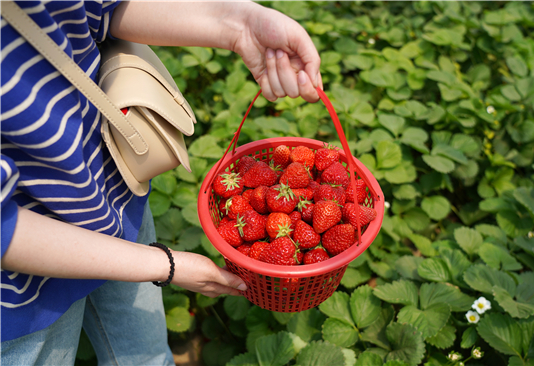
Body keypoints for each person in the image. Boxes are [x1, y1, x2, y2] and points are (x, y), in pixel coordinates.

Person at [0, 1, 321, 364]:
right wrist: (167, 266)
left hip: (114, 198)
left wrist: (241, 25)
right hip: (21, 292)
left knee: (149, 357)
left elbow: (100, 8)